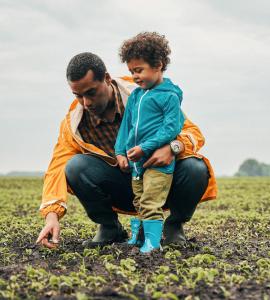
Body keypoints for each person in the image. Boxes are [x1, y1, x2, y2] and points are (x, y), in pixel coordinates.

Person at [36, 51, 217, 249]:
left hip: (159, 180)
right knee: (75, 166)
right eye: (78, 95)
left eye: (91, 93)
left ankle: (173, 226)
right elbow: (57, 166)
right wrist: (51, 217)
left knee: (196, 168)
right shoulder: (74, 123)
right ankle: (109, 227)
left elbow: (192, 132)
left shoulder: (144, 94)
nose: (86, 103)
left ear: (106, 79)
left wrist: (173, 147)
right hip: (122, 183)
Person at [115, 32, 185, 253]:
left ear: (158, 65)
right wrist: (120, 152)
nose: (135, 76)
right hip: (136, 164)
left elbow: (171, 128)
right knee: (139, 201)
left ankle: (153, 245)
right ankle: (139, 236)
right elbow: (126, 126)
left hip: (158, 163)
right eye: (131, 71)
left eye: (139, 70)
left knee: (150, 201)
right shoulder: (136, 96)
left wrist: (145, 147)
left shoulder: (169, 96)